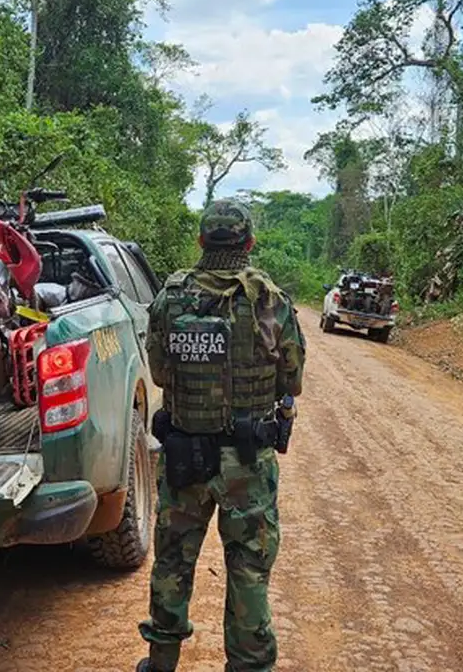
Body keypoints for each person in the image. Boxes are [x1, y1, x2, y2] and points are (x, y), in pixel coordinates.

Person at [137, 199, 306, 672]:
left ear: (201, 242)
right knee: (249, 569)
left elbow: (160, 372)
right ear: (248, 244)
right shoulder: (271, 301)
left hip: (185, 456)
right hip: (249, 462)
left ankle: (162, 661)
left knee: (172, 561)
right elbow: (291, 381)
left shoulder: (171, 297)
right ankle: (250, 666)